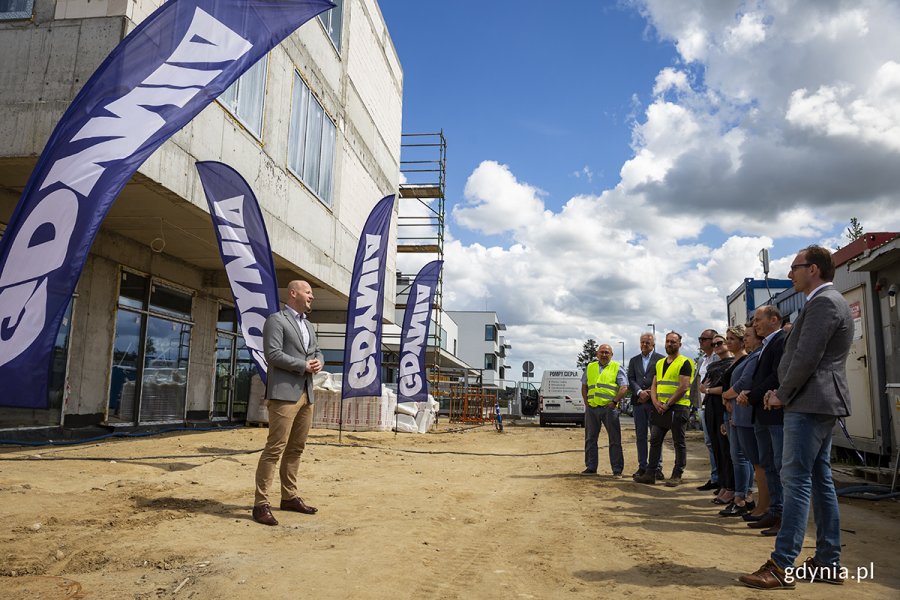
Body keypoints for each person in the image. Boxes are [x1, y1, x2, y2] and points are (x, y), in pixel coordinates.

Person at [740, 245, 853, 589]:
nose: (790, 274)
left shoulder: (823, 303)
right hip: (815, 401)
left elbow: (806, 356)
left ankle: (781, 565)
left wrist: (782, 393)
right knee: (818, 480)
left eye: (795, 267)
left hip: (809, 402)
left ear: (814, 269)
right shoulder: (824, 302)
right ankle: (827, 561)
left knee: (796, 480)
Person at [252, 280, 324, 526]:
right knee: (275, 448)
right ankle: (260, 504)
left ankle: (289, 497)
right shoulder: (276, 320)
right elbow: (272, 354)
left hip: (306, 394)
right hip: (283, 394)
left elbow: (317, 352)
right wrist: (302, 365)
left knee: (296, 449)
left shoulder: (309, 326)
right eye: (308, 292)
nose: (311, 297)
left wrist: (318, 362)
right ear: (293, 293)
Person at [738, 305, 785, 537]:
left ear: (774, 319)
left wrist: (751, 394)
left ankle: (782, 515)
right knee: (768, 464)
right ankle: (773, 511)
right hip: (762, 413)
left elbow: (776, 375)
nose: (755, 324)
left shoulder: (781, 341)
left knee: (778, 464)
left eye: (758, 320)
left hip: (774, 412)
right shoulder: (767, 345)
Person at [633, 332, 694, 487]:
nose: (669, 344)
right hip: (660, 408)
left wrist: (667, 404)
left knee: (678, 442)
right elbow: (654, 385)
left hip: (678, 408)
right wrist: (655, 402)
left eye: (673, 341)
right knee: (655, 440)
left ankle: (676, 474)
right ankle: (650, 473)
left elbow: (684, 387)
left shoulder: (685, 362)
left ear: (680, 344)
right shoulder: (660, 363)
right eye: (667, 341)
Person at [722, 324, 768, 520]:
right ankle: (745, 496)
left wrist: (725, 394)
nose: (747, 339)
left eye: (748, 336)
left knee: (746, 459)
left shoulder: (754, 357)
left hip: (746, 414)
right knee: (741, 457)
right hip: (738, 414)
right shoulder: (750, 357)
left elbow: (744, 383)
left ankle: (743, 498)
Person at [580, 344, 628, 476]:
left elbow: (624, 387)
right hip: (592, 409)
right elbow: (584, 385)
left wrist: (614, 402)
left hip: (609, 409)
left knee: (614, 440)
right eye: (602, 352)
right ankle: (591, 467)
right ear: (597, 354)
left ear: (611, 355)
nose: (604, 354)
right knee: (590, 439)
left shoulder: (617, 367)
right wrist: (586, 402)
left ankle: (617, 470)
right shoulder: (590, 367)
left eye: (607, 352)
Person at [699, 334, 734, 505]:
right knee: (716, 447)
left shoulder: (733, 363)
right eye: (714, 344)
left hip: (724, 407)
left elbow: (725, 388)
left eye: (720, 342)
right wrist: (708, 389)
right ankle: (722, 483)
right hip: (710, 407)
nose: (716, 346)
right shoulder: (713, 364)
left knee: (727, 448)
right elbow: (702, 384)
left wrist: (710, 390)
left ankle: (731, 487)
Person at [627, 333, 665, 480]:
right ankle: (642, 466)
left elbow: (662, 378)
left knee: (656, 436)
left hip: (654, 403)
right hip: (638, 403)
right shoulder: (634, 360)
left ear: (653, 344)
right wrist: (639, 392)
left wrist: (649, 393)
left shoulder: (661, 359)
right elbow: (631, 378)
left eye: (648, 342)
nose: (645, 345)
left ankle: (657, 467)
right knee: (641, 436)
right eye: (642, 342)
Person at [694, 329, 721, 491]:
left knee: (718, 444)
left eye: (704, 339)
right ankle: (715, 477)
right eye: (700, 338)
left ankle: (722, 479)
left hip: (715, 405)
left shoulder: (718, 359)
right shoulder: (702, 360)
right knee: (710, 443)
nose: (701, 341)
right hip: (704, 406)